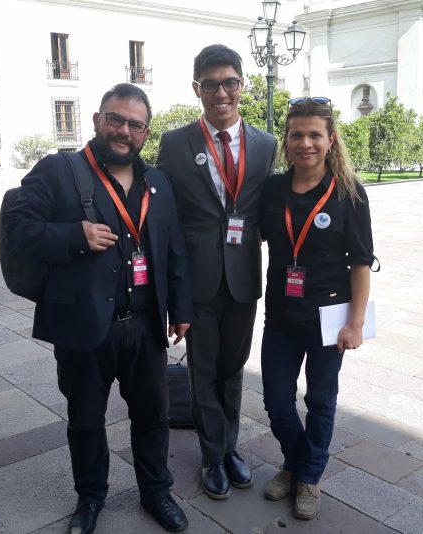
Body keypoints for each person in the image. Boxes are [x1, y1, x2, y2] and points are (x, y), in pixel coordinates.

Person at [4, 84, 192, 534]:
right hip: (83, 325)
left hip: (145, 325)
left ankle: (156, 491)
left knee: (153, 415)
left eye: (135, 124)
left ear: (145, 133)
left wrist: (180, 306)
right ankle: (90, 498)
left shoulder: (158, 182)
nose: (123, 130)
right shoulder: (59, 170)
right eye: (115, 119)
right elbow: (17, 226)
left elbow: (173, 249)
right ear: (96, 120)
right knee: (86, 419)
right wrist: (75, 235)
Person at [156, 44, 277, 500]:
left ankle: (229, 447)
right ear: (197, 89)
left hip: (243, 277)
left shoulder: (266, 145)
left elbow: (269, 207)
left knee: (233, 368)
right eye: (211, 85)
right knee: (203, 371)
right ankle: (212, 456)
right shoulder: (175, 143)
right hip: (198, 279)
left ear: (241, 85)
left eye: (229, 83)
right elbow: (162, 214)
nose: (221, 93)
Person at [259, 97, 374, 520]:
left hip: (329, 316)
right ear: (286, 141)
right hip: (281, 314)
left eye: (314, 135)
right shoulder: (272, 190)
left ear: (330, 140)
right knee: (276, 400)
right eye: (296, 135)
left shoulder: (349, 193)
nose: (305, 143)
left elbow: (360, 263)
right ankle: (296, 461)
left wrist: (355, 323)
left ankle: (307, 476)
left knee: (321, 400)